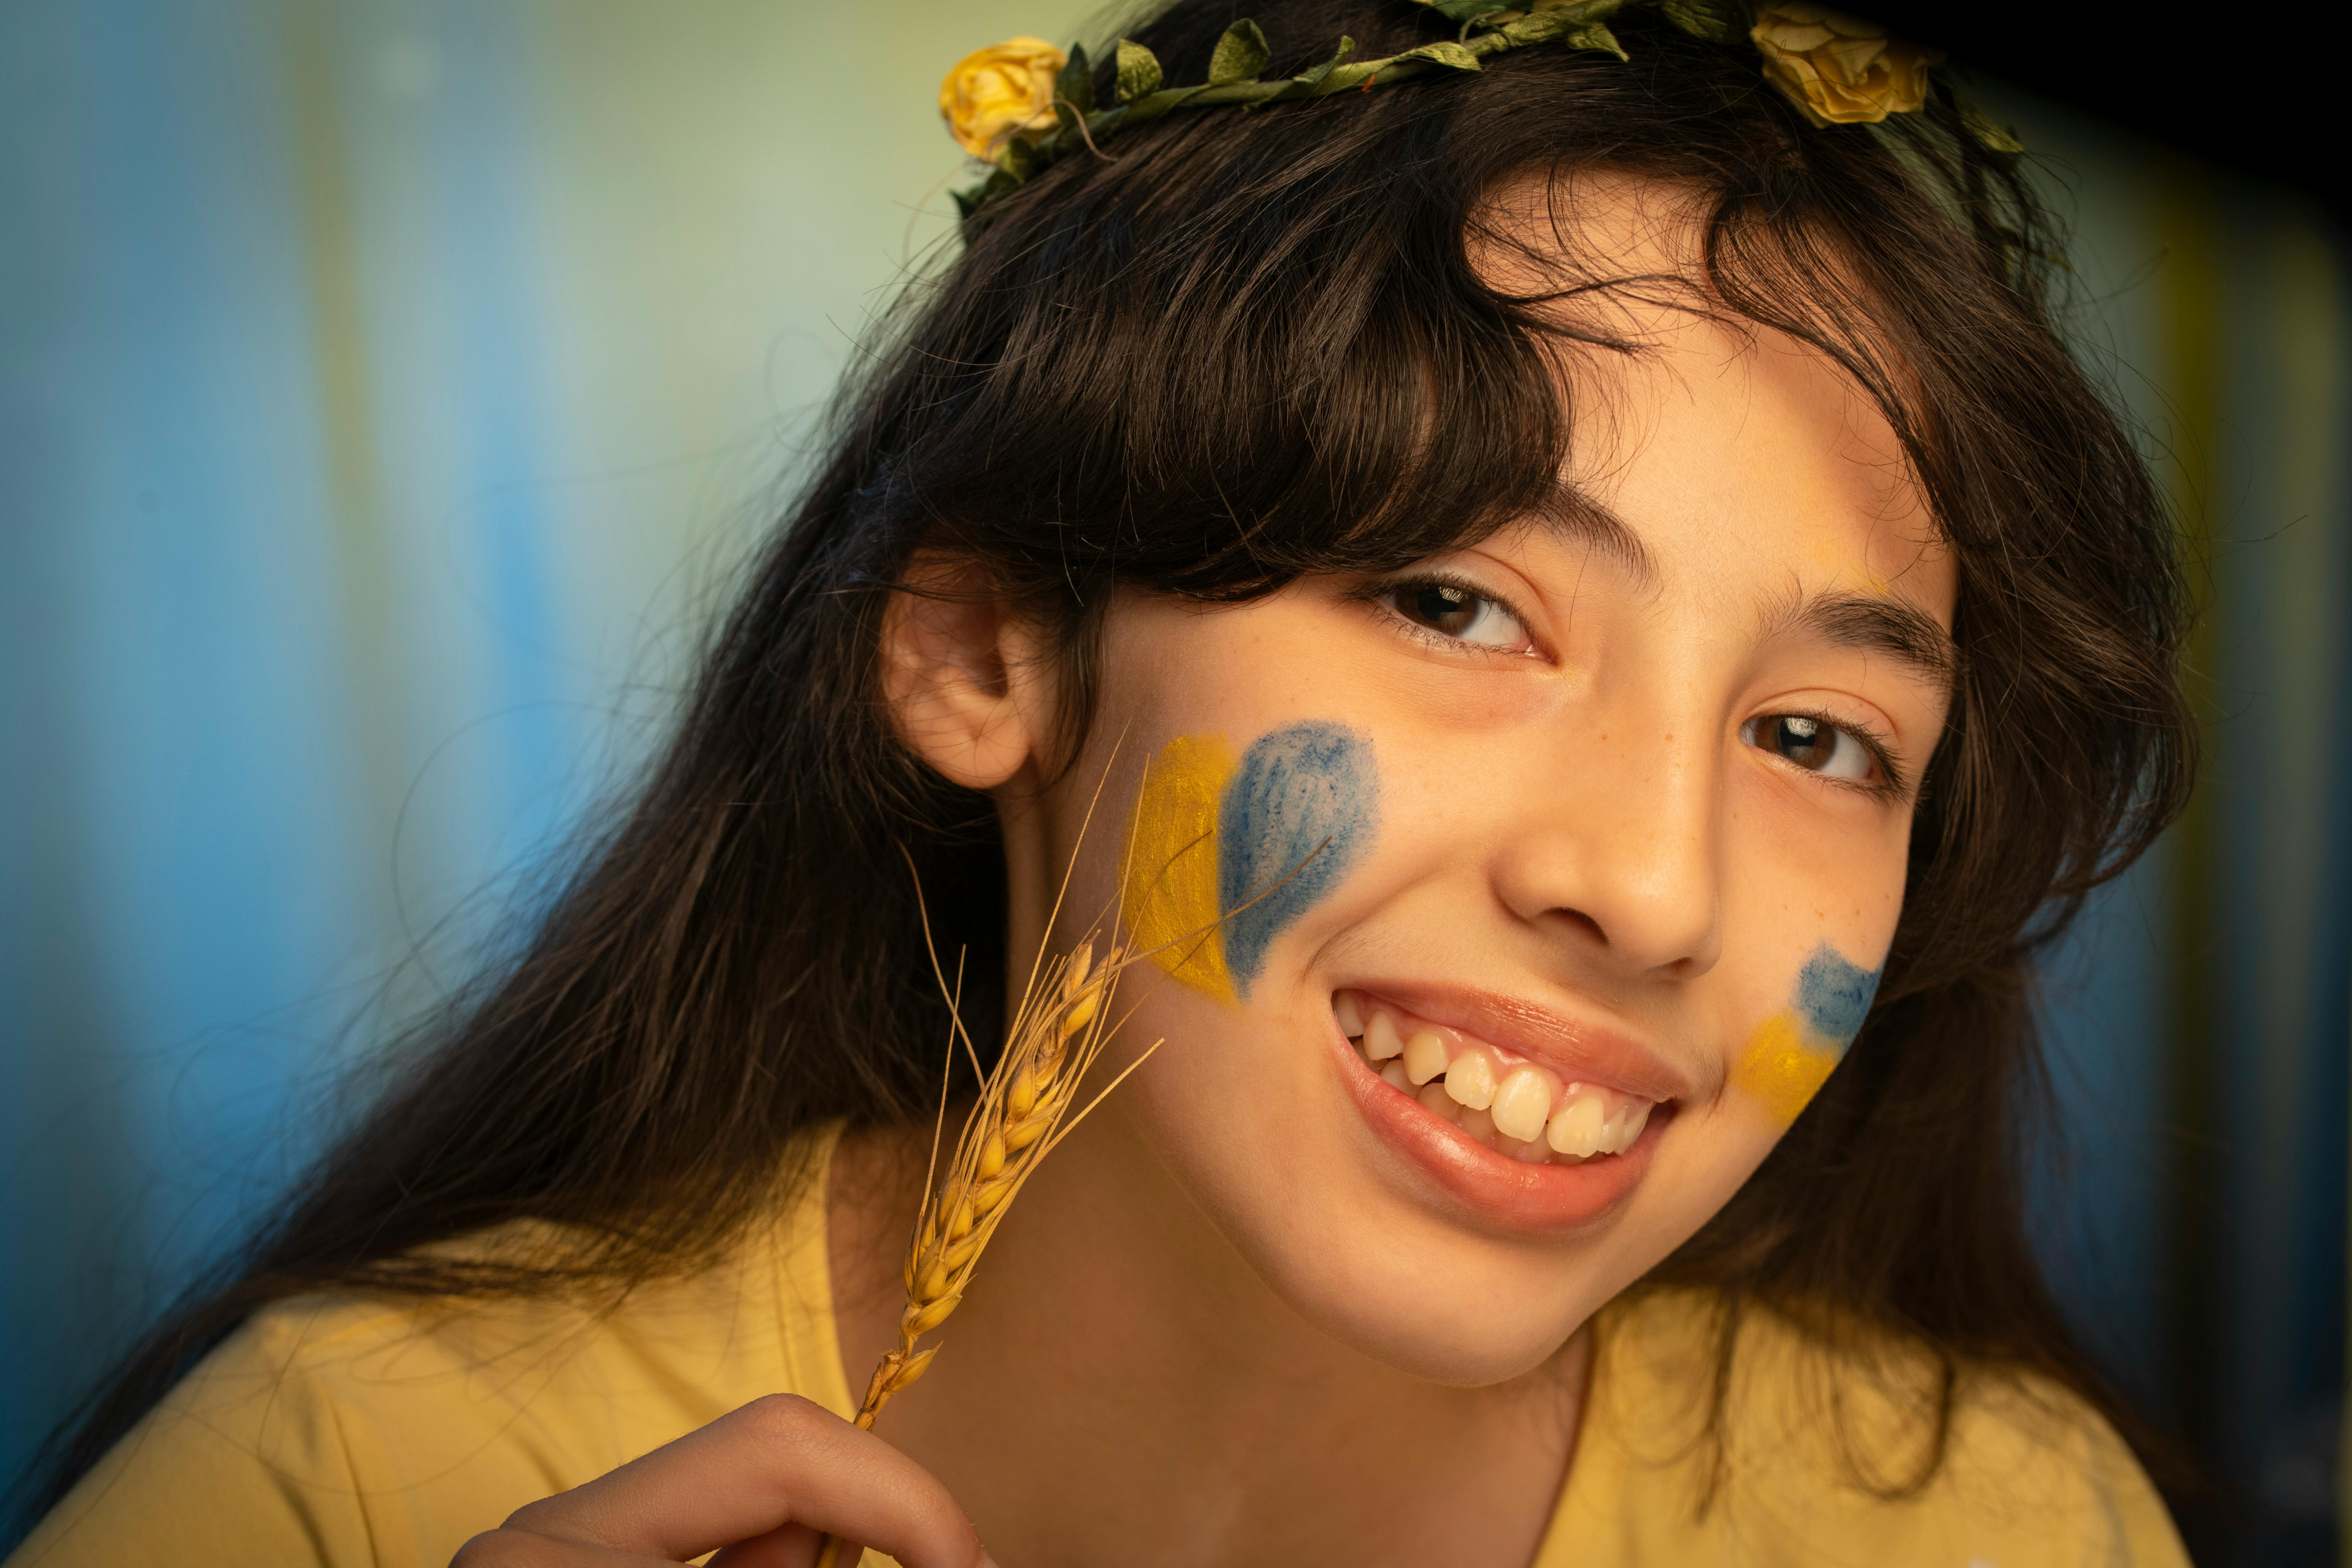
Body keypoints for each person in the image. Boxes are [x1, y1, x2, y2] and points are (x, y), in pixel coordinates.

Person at [5, 0, 2199, 1563]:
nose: (1650, 887)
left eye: (1820, 739)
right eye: (1453, 607)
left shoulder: (2003, 1526)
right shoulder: (354, 1490)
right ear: (984, 657)